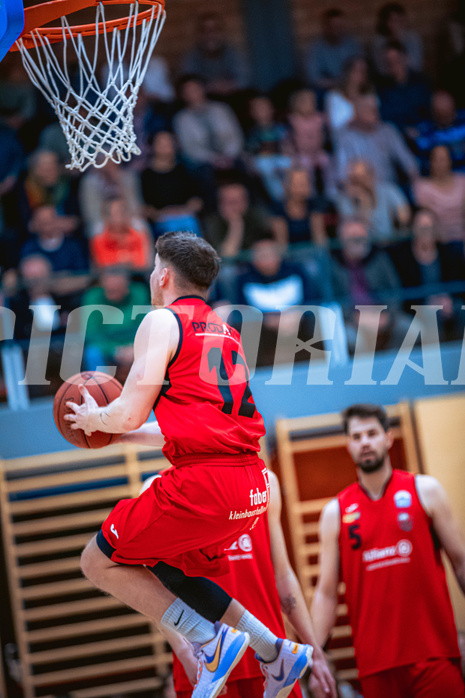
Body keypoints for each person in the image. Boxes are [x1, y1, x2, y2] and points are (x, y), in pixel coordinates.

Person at [65, 231, 332, 698]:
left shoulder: (162, 321)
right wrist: (121, 431)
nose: (150, 276)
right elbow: (188, 427)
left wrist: (95, 417)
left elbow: (126, 410)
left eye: (152, 267)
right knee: (166, 561)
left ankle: (209, 638)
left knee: (96, 562)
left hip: (206, 486)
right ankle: (274, 651)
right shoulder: (224, 330)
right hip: (250, 486)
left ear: (164, 275)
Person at [131, 468, 335, 698]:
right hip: (205, 664)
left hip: (272, 661)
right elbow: (155, 589)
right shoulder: (156, 488)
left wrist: (316, 653)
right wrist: (182, 651)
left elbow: (283, 574)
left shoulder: (265, 481)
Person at [311, 403, 465, 698]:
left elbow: (460, 563)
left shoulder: (425, 491)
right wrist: (315, 655)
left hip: (435, 657)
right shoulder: (335, 512)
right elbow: (326, 593)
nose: (365, 442)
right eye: (356, 437)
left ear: (388, 438)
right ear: (348, 445)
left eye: (372, 433)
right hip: (376, 666)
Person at [329, 217, 409, 352]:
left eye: (362, 236)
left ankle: (391, 368)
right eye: (353, 236)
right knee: (349, 338)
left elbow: (395, 291)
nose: (359, 240)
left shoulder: (379, 259)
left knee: (410, 330)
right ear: (341, 240)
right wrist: (354, 318)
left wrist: (387, 315)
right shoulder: (333, 265)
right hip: (351, 320)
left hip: (383, 316)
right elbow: (332, 299)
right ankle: (363, 372)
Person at [388, 208, 465, 340]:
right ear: (413, 229)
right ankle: (435, 359)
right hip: (416, 307)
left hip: (447, 303)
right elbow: (403, 293)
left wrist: (449, 300)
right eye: (422, 228)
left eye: (430, 228)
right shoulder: (402, 257)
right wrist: (428, 302)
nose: (426, 233)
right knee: (430, 313)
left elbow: (457, 284)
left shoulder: (447, 253)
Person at [336, 94, 419, 185]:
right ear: (356, 112)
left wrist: (416, 184)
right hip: (359, 189)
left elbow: (409, 163)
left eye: (375, 109)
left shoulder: (388, 131)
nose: (375, 113)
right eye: (368, 109)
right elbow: (342, 174)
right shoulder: (345, 136)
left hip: (388, 187)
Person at [140, 131, 203, 238]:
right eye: (161, 144)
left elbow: (197, 201)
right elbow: (145, 208)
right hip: (162, 220)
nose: (165, 147)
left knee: (189, 224)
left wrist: (183, 211)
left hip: (186, 216)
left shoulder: (185, 170)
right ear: (152, 146)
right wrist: (162, 214)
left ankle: (197, 254)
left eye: (169, 143)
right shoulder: (145, 176)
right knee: (172, 229)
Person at [335, 159, 410, 243]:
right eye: (354, 179)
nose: (359, 183)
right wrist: (363, 203)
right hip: (364, 247)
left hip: (390, 242)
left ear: (371, 175)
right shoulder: (346, 199)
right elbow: (352, 229)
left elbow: (404, 216)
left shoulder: (388, 190)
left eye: (362, 177)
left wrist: (396, 218)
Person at [180, 12, 249, 97]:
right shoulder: (191, 57)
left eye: (215, 30)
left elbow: (244, 81)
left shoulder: (233, 53)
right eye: (205, 30)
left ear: (222, 32)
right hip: (205, 102)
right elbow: (187, 84)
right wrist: (211, 87)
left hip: (233, 98)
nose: (210, 35)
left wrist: (225, 86)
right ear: (199, 34)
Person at [204, 181, 274, 256]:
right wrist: (236, 224)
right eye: (230, 202)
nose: (235, 206)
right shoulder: (212, 222)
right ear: (220, 204)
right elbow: (228, 255)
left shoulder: (255, 215)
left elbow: (270, 246)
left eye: (239, 200)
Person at [413, 145, 465, 244]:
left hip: (462, 230)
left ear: (450, 161)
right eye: (436, 159)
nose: (440, 164)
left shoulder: (462, 181)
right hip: (437, 235)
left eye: (443, 159)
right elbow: (426, 211)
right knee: (423, 219)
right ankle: (429, 259)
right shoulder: (422, 186)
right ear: (430, 162)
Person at [377, 40, 431, 133]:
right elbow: (384, 119)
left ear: (405, 58)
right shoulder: (381, 88)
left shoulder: (421, 82)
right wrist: (404, 130)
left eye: (396, 60)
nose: (393, 65)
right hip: (396, 135)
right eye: (388, 62)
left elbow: (429, 111)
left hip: (424, 131)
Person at [304, 9, 362, 92]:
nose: (337, 30)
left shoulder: (351, 43)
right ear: (325, 27)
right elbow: (314, 79)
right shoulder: (316, 48)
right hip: (327, 91)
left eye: (340, 26)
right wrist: (339, 83)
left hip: (352, 88)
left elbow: (361, 70)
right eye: (333, 26)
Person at [90, 198, 153, 271]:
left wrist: (119, 259)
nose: (122, 217)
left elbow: (143, 263)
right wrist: (125, 259)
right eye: (117, 213)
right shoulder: (99, 239)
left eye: (125, 212)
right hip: (110, 278)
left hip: (137, 278)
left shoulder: (139, 235)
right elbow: (103, 264)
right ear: (106, 217)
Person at [413, 90, 465, 174]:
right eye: (441, 115)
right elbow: (425, 164)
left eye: (449, 113)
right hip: (444, 178)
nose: (446, 119)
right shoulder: (425, 132)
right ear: (433, 114)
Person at [324, 56, 373, 140]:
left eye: (364, 71)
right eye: (357, 70)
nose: (361, 75)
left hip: (369, 139)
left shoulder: (370, 96)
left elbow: (375, 123)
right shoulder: (334, 97)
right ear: (348, 72)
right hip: (344, 140)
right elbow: (333, 127)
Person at [372, 2, 423, 77]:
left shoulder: (412, 38)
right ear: (385, 23)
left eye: (399, 19)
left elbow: (417, 65)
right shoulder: (379, 42)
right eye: (392, 20)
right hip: (388, 80)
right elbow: (381, 70)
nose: (396, 24)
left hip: (412, 78)